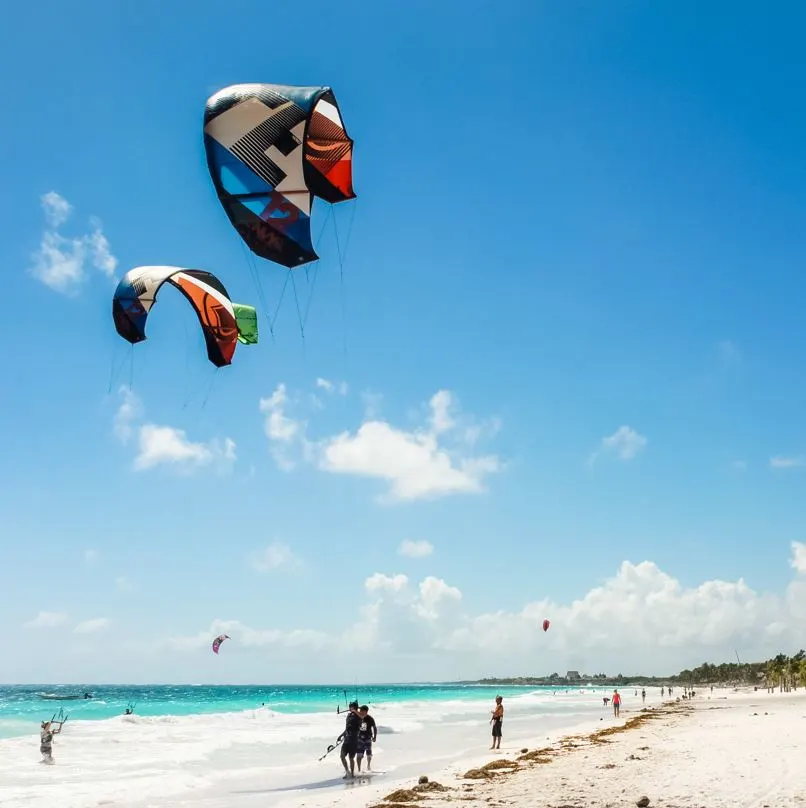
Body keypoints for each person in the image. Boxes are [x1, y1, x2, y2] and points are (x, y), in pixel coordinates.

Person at [340, 700, 361, 778]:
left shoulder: (359, 716)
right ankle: (347, 771)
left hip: (354, 740)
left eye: (350, 707)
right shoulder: (348, 716)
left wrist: (355, 711)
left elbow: (361, 716)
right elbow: (347, 728)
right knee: (342, 756)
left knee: (351, 758)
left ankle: (352, 773)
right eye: (349, 707)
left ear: (354, 708)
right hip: (347, 739)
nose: (349, 708)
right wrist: (342, 735)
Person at [356, 705, 377, 772]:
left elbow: (374, 727)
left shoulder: (370, 718)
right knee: (359, 754)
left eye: (362, 711)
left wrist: (374, 737)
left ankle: (368, 765)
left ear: (366, 711)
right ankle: (359, 769)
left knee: (369, 754)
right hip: (359, 738)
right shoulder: (358, 717)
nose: (360, 712)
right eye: (360, 711)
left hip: (368, 737)